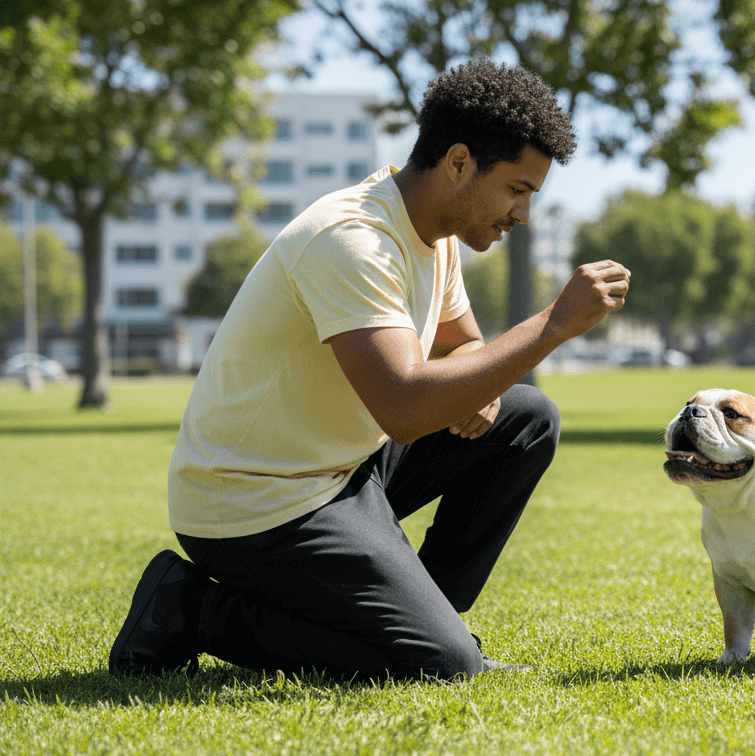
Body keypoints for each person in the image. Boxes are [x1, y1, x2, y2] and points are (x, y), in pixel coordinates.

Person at [108, 59, 631, 682]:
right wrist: (553, 325)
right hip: (255, 501)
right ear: (458, 163)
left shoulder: (434, 235)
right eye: (517, 190)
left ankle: (423, 612)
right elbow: (404, 408)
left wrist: (478, 376)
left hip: (344, 470)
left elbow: (464, 345)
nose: (522, 214)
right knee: (446, 666)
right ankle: (191, 608)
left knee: (526, 418)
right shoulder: (352, 239)